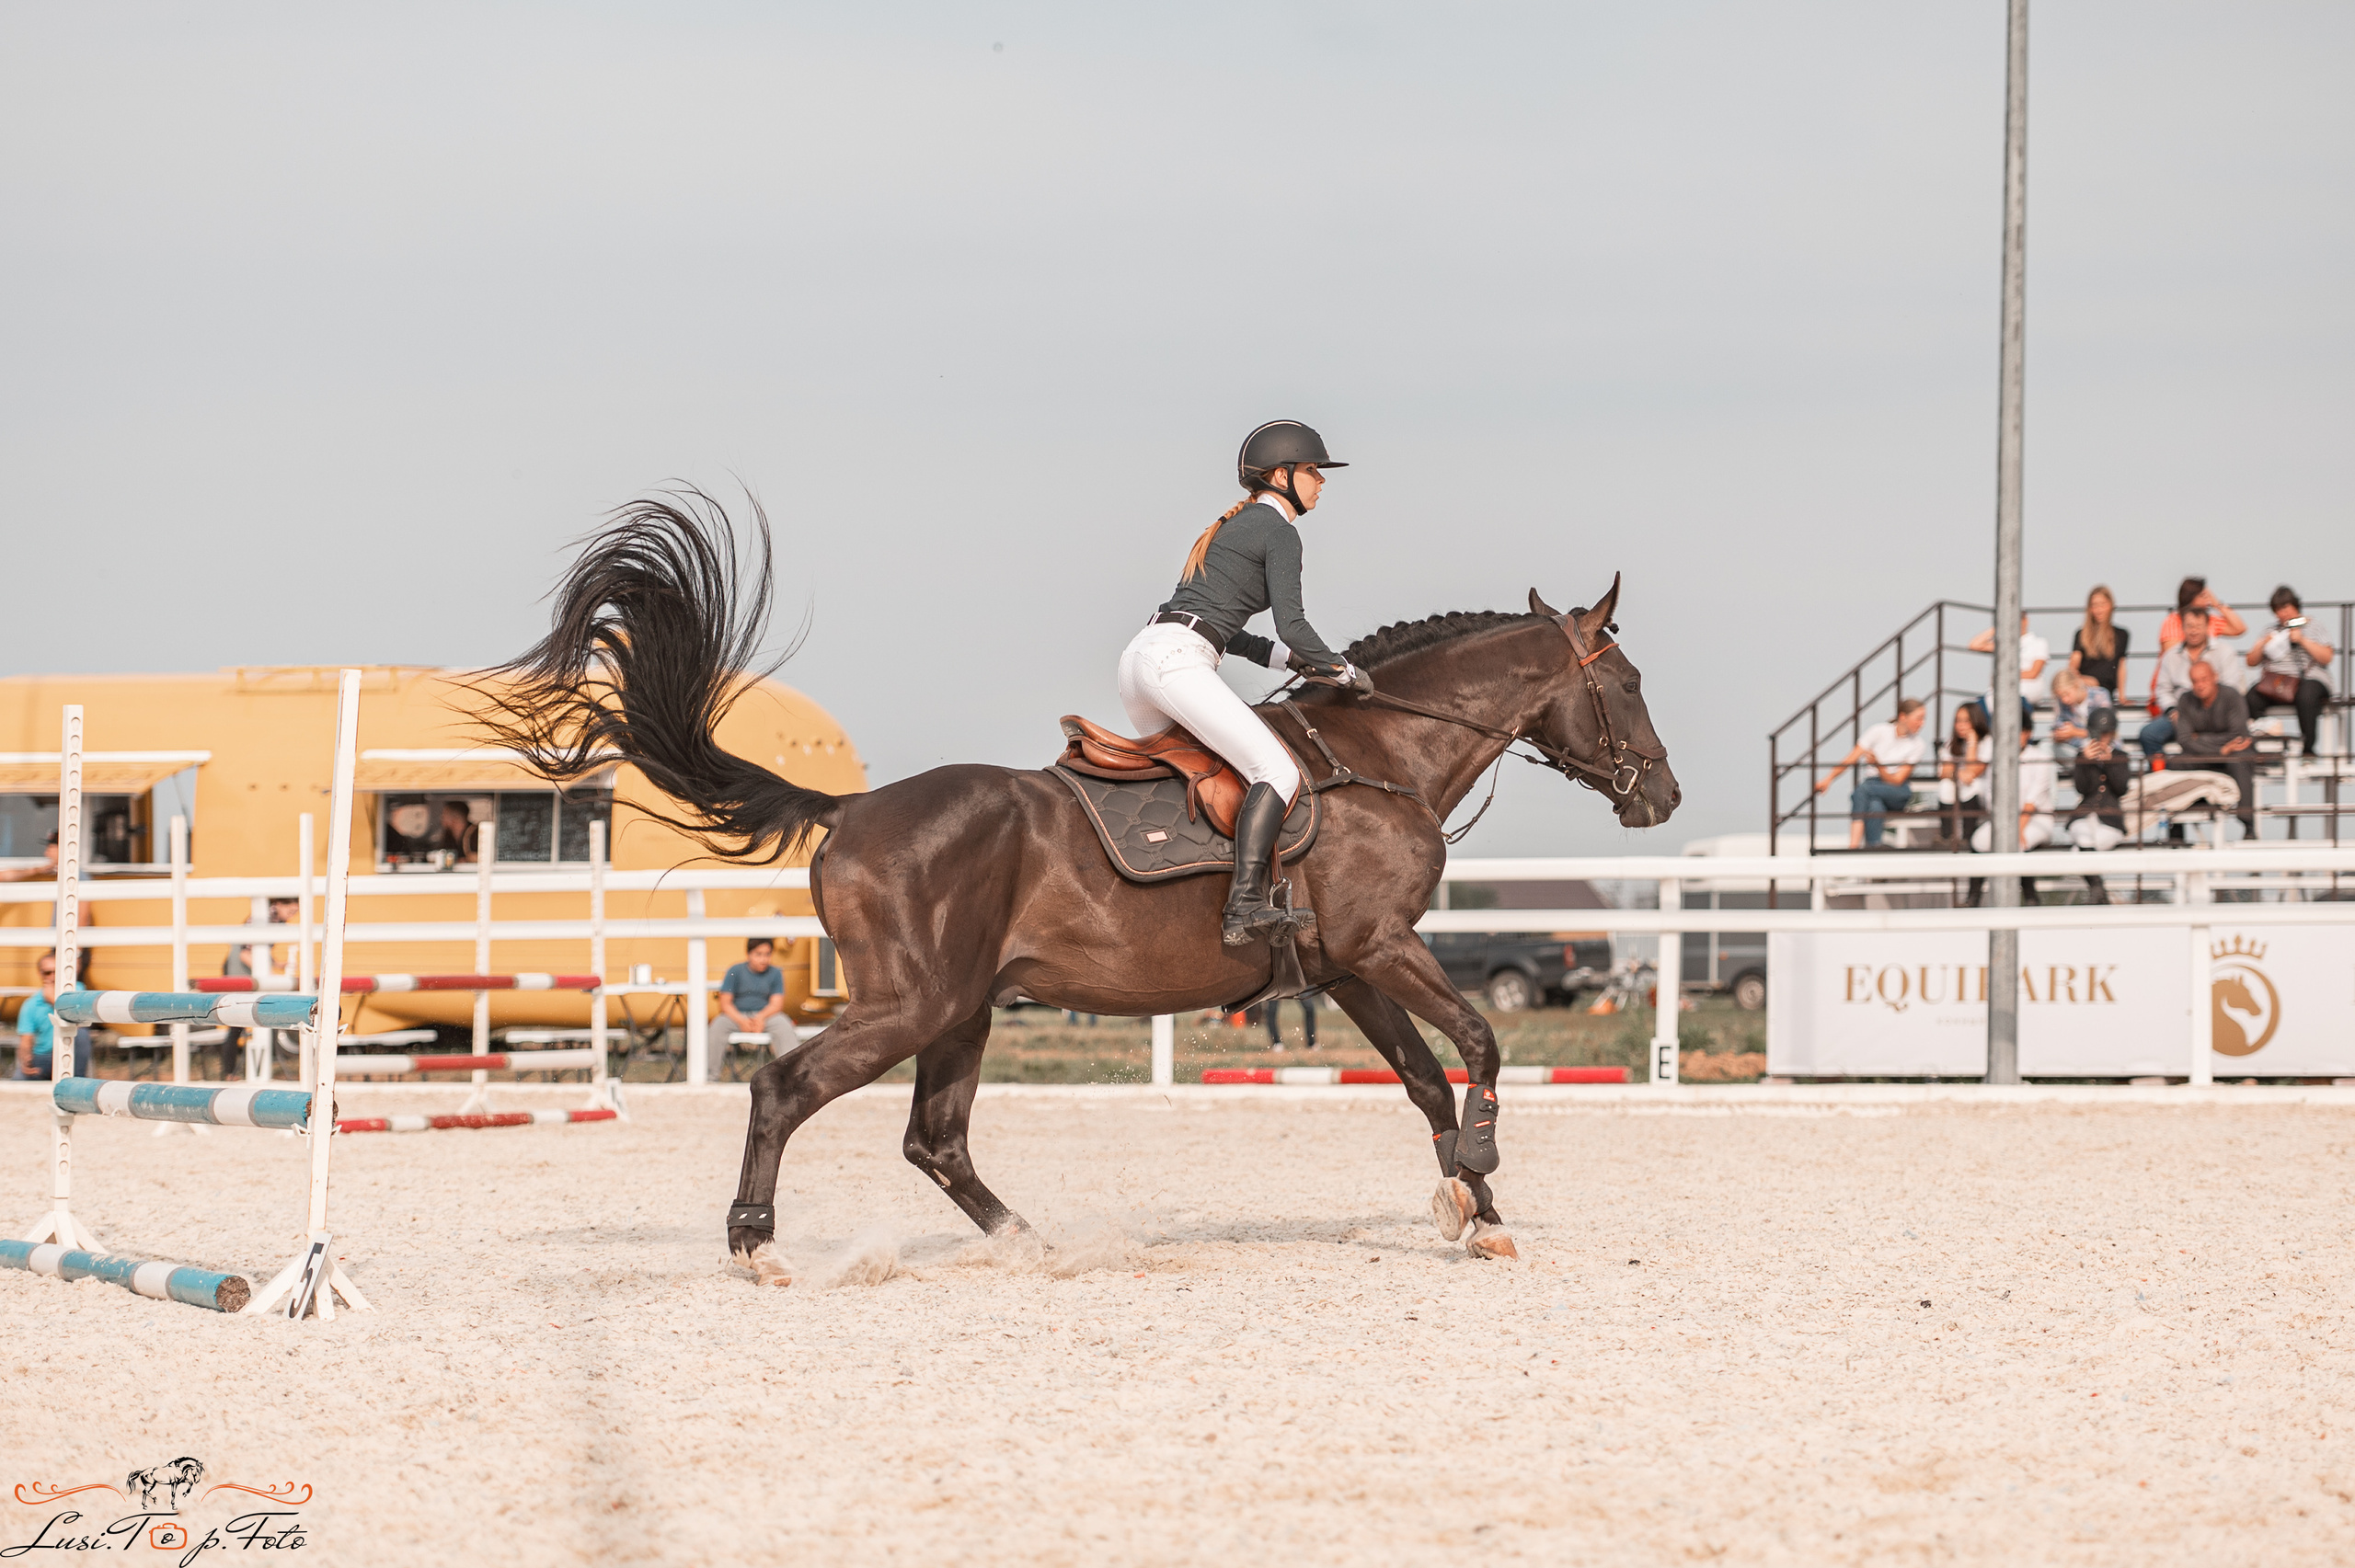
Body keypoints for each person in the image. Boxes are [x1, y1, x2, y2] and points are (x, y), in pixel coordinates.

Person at [1127, 421, 1362, 944]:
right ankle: (1245, 905)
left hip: (1144, 659)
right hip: (1178, 664)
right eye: (1312, 472)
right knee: (1276, 772)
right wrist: (1342, 671)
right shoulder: (1280, 531)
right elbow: (1294, 625)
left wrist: (1287, 662)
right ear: (1281, 476)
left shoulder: (1233, 528)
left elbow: (1226, 630)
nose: (1321, 482)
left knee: (1202, 776)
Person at [1812, 699, 1927, 848]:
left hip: (1897, 791)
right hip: (1874, 786)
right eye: (1919, 718)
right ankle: (1874, 849)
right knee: (1874, 807)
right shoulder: (1878, 731)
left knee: (1862, 790)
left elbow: (1897, 780)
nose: (1922, 723)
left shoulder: (1918, 745)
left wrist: (1878, 765)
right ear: (1903, 716)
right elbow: (1851, 758)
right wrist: (1828, 779)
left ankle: (1853, 846)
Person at [2243, 586, 2335, 758]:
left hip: (2308, 680)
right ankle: (2265, 745)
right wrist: (2262, 644)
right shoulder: (2270, 631)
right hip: (2276, 682)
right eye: (2277, 610)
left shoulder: (2313, 626)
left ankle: (2308, 749)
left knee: (2306, 695)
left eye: (2285, 608)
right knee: (2251, 698)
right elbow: (2250, 661)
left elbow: (2327, 657)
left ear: (2295, 605)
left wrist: (2302, 640)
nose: (2282, 614)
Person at [2172, 659, 2258, 836]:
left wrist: (2201, 739)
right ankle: (2176, 828)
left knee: (2240, 760)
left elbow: (2238, 736)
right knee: (2173, 763)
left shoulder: (2232, 696)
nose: (2200, 685)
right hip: (2207, 755)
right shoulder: (2185, 700)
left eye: (2204, 679)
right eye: (2195, 681)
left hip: (2233, 753)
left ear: (2215, 677)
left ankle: (2248, 825)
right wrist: (2219, 750)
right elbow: (2184, 739)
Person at [2142, 605, 2237, 762]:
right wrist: (2172, 711)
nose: (2194, 631)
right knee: (2149, 734)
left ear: (2208, 626)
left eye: (2198, 626)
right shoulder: (2170, 656)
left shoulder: (2224, 651)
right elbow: (2162, 689)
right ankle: (2161, 777)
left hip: (2216, 714)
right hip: (2180, 714)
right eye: (2190, 626)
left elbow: (2231, 686)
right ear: (2182, 627)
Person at [12, 953, 90, 1081]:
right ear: (40, 974)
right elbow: (26, 1040)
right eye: (47, 973)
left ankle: (76, 1084)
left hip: (70, 1052)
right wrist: (25, 1060)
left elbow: (82, 1022)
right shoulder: (31, 1004)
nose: (53, 977)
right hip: (44, 1057)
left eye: (56, 972)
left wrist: (53, 1001)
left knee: (81, 1035)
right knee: (18, 1081)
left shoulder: (78, 990)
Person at [718, 937, 796, 1058]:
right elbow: (725, 1003)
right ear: (749, 954)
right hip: (737, 1016)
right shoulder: (735, 970)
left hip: (766, 1016)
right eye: (758, 954)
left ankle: (791, 1074)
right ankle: (710, 1075)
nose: (763, 959)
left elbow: (776, 1004)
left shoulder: (775, 973)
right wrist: (741, 1021)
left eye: (767, 954)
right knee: (717, 1027)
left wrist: (760, 1018)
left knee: (784, 1025)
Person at [1936, 704, 1990, 848]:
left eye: (1966, 721)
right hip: (1959, 788)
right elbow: (1943, 772)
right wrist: (1958, 773)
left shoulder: (1987, 742)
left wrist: (1972, 742)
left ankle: (1967, 836)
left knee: (1972, 784)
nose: (1961, 725)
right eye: (1958, 721)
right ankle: (1947, 835)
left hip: (1982, 792)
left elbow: (1973, 772)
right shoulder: (1951, 743)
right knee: (1945, 786)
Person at [2066, 585, 2131, 702]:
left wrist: (2122, 697)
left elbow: (2121, 666)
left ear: (2111, 605)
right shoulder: (2081, 634)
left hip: (2104, 689)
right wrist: (2074, 676)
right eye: (2094, 605)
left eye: (2103, 604)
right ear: (2090, 609)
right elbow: (2074, 662)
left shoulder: (2121, 635)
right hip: (2083, 687)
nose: (2099, 609)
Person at [1969, 614, 2051, 704]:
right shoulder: (2005, 643)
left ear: (2025, 620)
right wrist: (1999, 625)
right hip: (2004, 687)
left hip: (2027, 687)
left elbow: (2034, 673)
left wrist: (2005, 675)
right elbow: (1975, 645)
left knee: (2005, 697)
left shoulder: (2038, 642)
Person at [2157, 577, 2246, 651]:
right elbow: (2172, 653)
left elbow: (2239, 628)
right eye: (2203, 596)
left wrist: (2217, 604)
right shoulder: (2173, 621)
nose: (2208, 600)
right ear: (2190, 598)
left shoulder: (2211, 620)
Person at [2048, 670, 2113, 760]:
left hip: (2101, 749)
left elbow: (2106, 732)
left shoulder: (2100, 695)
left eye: (2066, 694)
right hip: (2077, 751)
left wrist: (2075, 732)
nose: (2064, 700)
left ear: (2076, 686)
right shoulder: (2062, 703)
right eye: (2060, 696)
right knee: (2045, 746)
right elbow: (2057, 727)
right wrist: (2060, 736)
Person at [439, 800, 482, 864]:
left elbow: (483, 857)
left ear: (454, 819)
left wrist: (467, 860)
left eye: (444, 816)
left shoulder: (476, 834)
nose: (441, 820)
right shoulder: (448, 836)